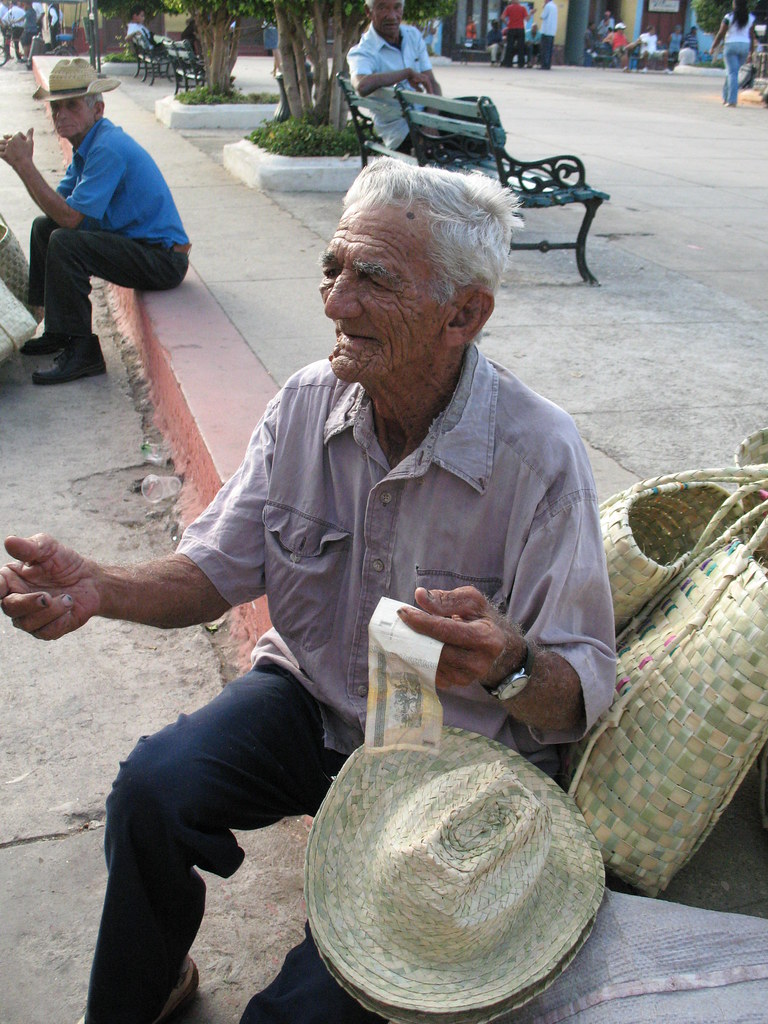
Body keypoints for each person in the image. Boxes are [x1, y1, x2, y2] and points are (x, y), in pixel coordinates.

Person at [0, 158, 616, 1024]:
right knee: (151, 789)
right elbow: (212, 571)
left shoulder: (539, 454)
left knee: (303, 1013)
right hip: (314, 701)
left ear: (464, 315)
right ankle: (142, 993)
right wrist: (100, 588)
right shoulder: (305, 404)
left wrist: (508, 663)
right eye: (332, 267)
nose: (335, 300)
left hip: (445, 762)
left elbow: (576, 698)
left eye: (374, 279)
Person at [0, 58, 190, 385]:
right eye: (56, 107)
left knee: (64, 240)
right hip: (140, 248)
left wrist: (24, 167)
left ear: (97, 109)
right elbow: (57, 208)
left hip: (164, 260)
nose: (61, 115)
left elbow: (71, 219)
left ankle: (83, 348)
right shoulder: (87, 146)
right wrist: (23, 166)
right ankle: (58, 330)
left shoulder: (107, 148)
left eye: (71, 106)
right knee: (45, 228)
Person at [347, 0, 441, 155]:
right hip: (400, 132)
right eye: (383, 8)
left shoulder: (413, 36)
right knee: (472, 141)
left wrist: (430, 122)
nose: (392, 16)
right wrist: (406, 73)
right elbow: (362, 85)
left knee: (474, 119)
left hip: (424, 118)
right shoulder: (363, 51)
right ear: (368, 11)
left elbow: (433, 84)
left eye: (397, 7)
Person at [710, 0, 757, 107]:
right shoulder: (750, 18)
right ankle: (725, 96)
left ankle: (732, 100)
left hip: (731, 45)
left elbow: (721, 33)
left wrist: (713, 46)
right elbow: (751, 35)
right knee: (733, 72)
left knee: (732, 73)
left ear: (735, 4)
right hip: (744, 46)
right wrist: (751, 52)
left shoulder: (729, 17)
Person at [501, 0, 527, 67]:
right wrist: (531, 13)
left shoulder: (508, 8)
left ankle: (508, 63)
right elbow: (527, 18)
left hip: (511, 28)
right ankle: (521, 63)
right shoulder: (522, 8)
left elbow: (502, 17)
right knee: (521, 46)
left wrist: (507, 23)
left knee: (510, 46)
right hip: (520, 29)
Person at [539, 0, 557, 68]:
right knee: (549, 49)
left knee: (544, 49)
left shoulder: (547, 6)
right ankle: (548, 64)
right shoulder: (554, 6)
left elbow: (542, 16)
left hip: (546, 30)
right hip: (552, 31)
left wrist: (543, 7)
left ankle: (544, 65)